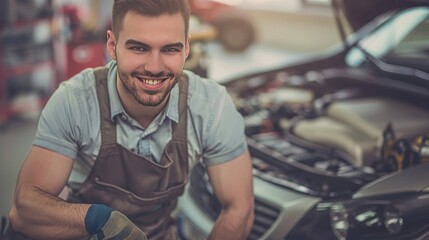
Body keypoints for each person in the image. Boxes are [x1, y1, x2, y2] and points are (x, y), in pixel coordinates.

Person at [5, 0, 254, 239]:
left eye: (170, 49)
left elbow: (239, 209)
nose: (155, 67)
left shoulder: (211, 107)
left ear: (186, 48)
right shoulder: (76, 101)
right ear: (112, 45)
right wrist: (100, 220)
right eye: (139, 48)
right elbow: (25, 211)